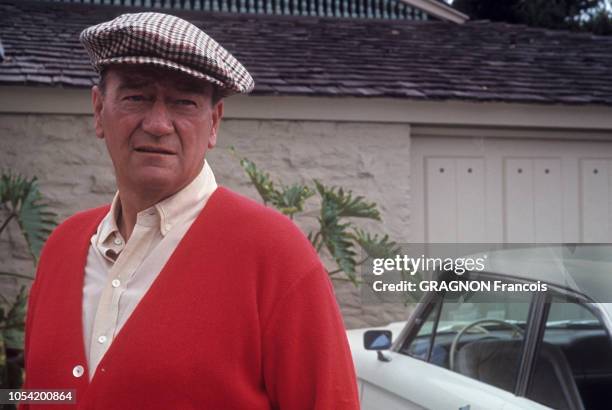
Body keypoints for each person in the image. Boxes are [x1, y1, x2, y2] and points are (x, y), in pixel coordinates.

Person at [22, 12, 359, 410]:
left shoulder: (275, 255)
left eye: (184, 102)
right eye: (136, 97)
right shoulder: (63, 247)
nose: (159, 124)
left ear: (213, 123)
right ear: (99, 111)